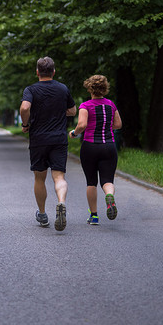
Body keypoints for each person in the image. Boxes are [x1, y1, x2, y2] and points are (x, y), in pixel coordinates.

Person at [19, 56, 76, 231]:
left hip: (39, 139)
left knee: (39, 178)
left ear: (37, 72)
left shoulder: (31, 90)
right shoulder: (63, 88)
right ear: (53, 71)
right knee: (59, 177)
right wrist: (57, 113)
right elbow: (73, 111)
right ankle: (61, 202)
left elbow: (25, 108)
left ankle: (43, 214)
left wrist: (25, 124)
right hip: (59, 139)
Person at [69, 74, 122, 225]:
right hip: (109, 146)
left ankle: (94, 216)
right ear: (105, 88)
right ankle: (109, 195)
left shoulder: (85, 106)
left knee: (91, 182)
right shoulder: (111, 105)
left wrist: (74, 133)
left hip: (90, 147)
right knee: (107, 180)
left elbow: (82, 125)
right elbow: (118, 124)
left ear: (90, 88)